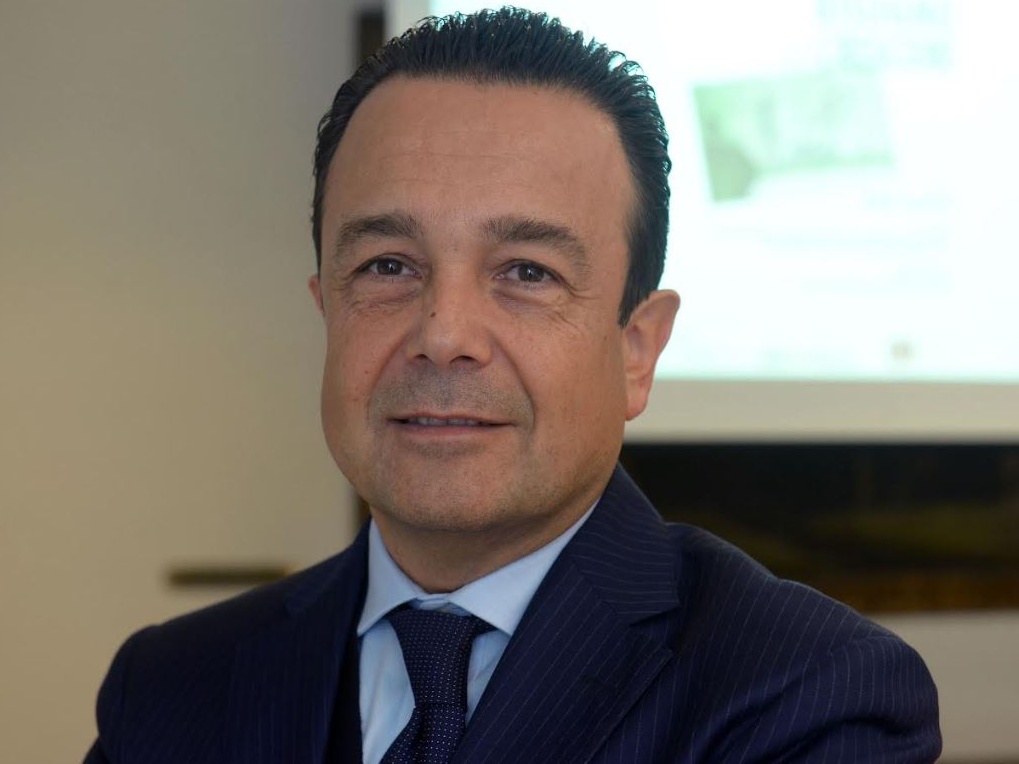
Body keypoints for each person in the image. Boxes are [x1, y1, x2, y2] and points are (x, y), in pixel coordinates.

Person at [84, 7, 941, 763]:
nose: (443, 335)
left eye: (527, 272)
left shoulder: (804, 696)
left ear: (636, 351)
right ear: (327, 312)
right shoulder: (168, 688)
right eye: (387, 265)